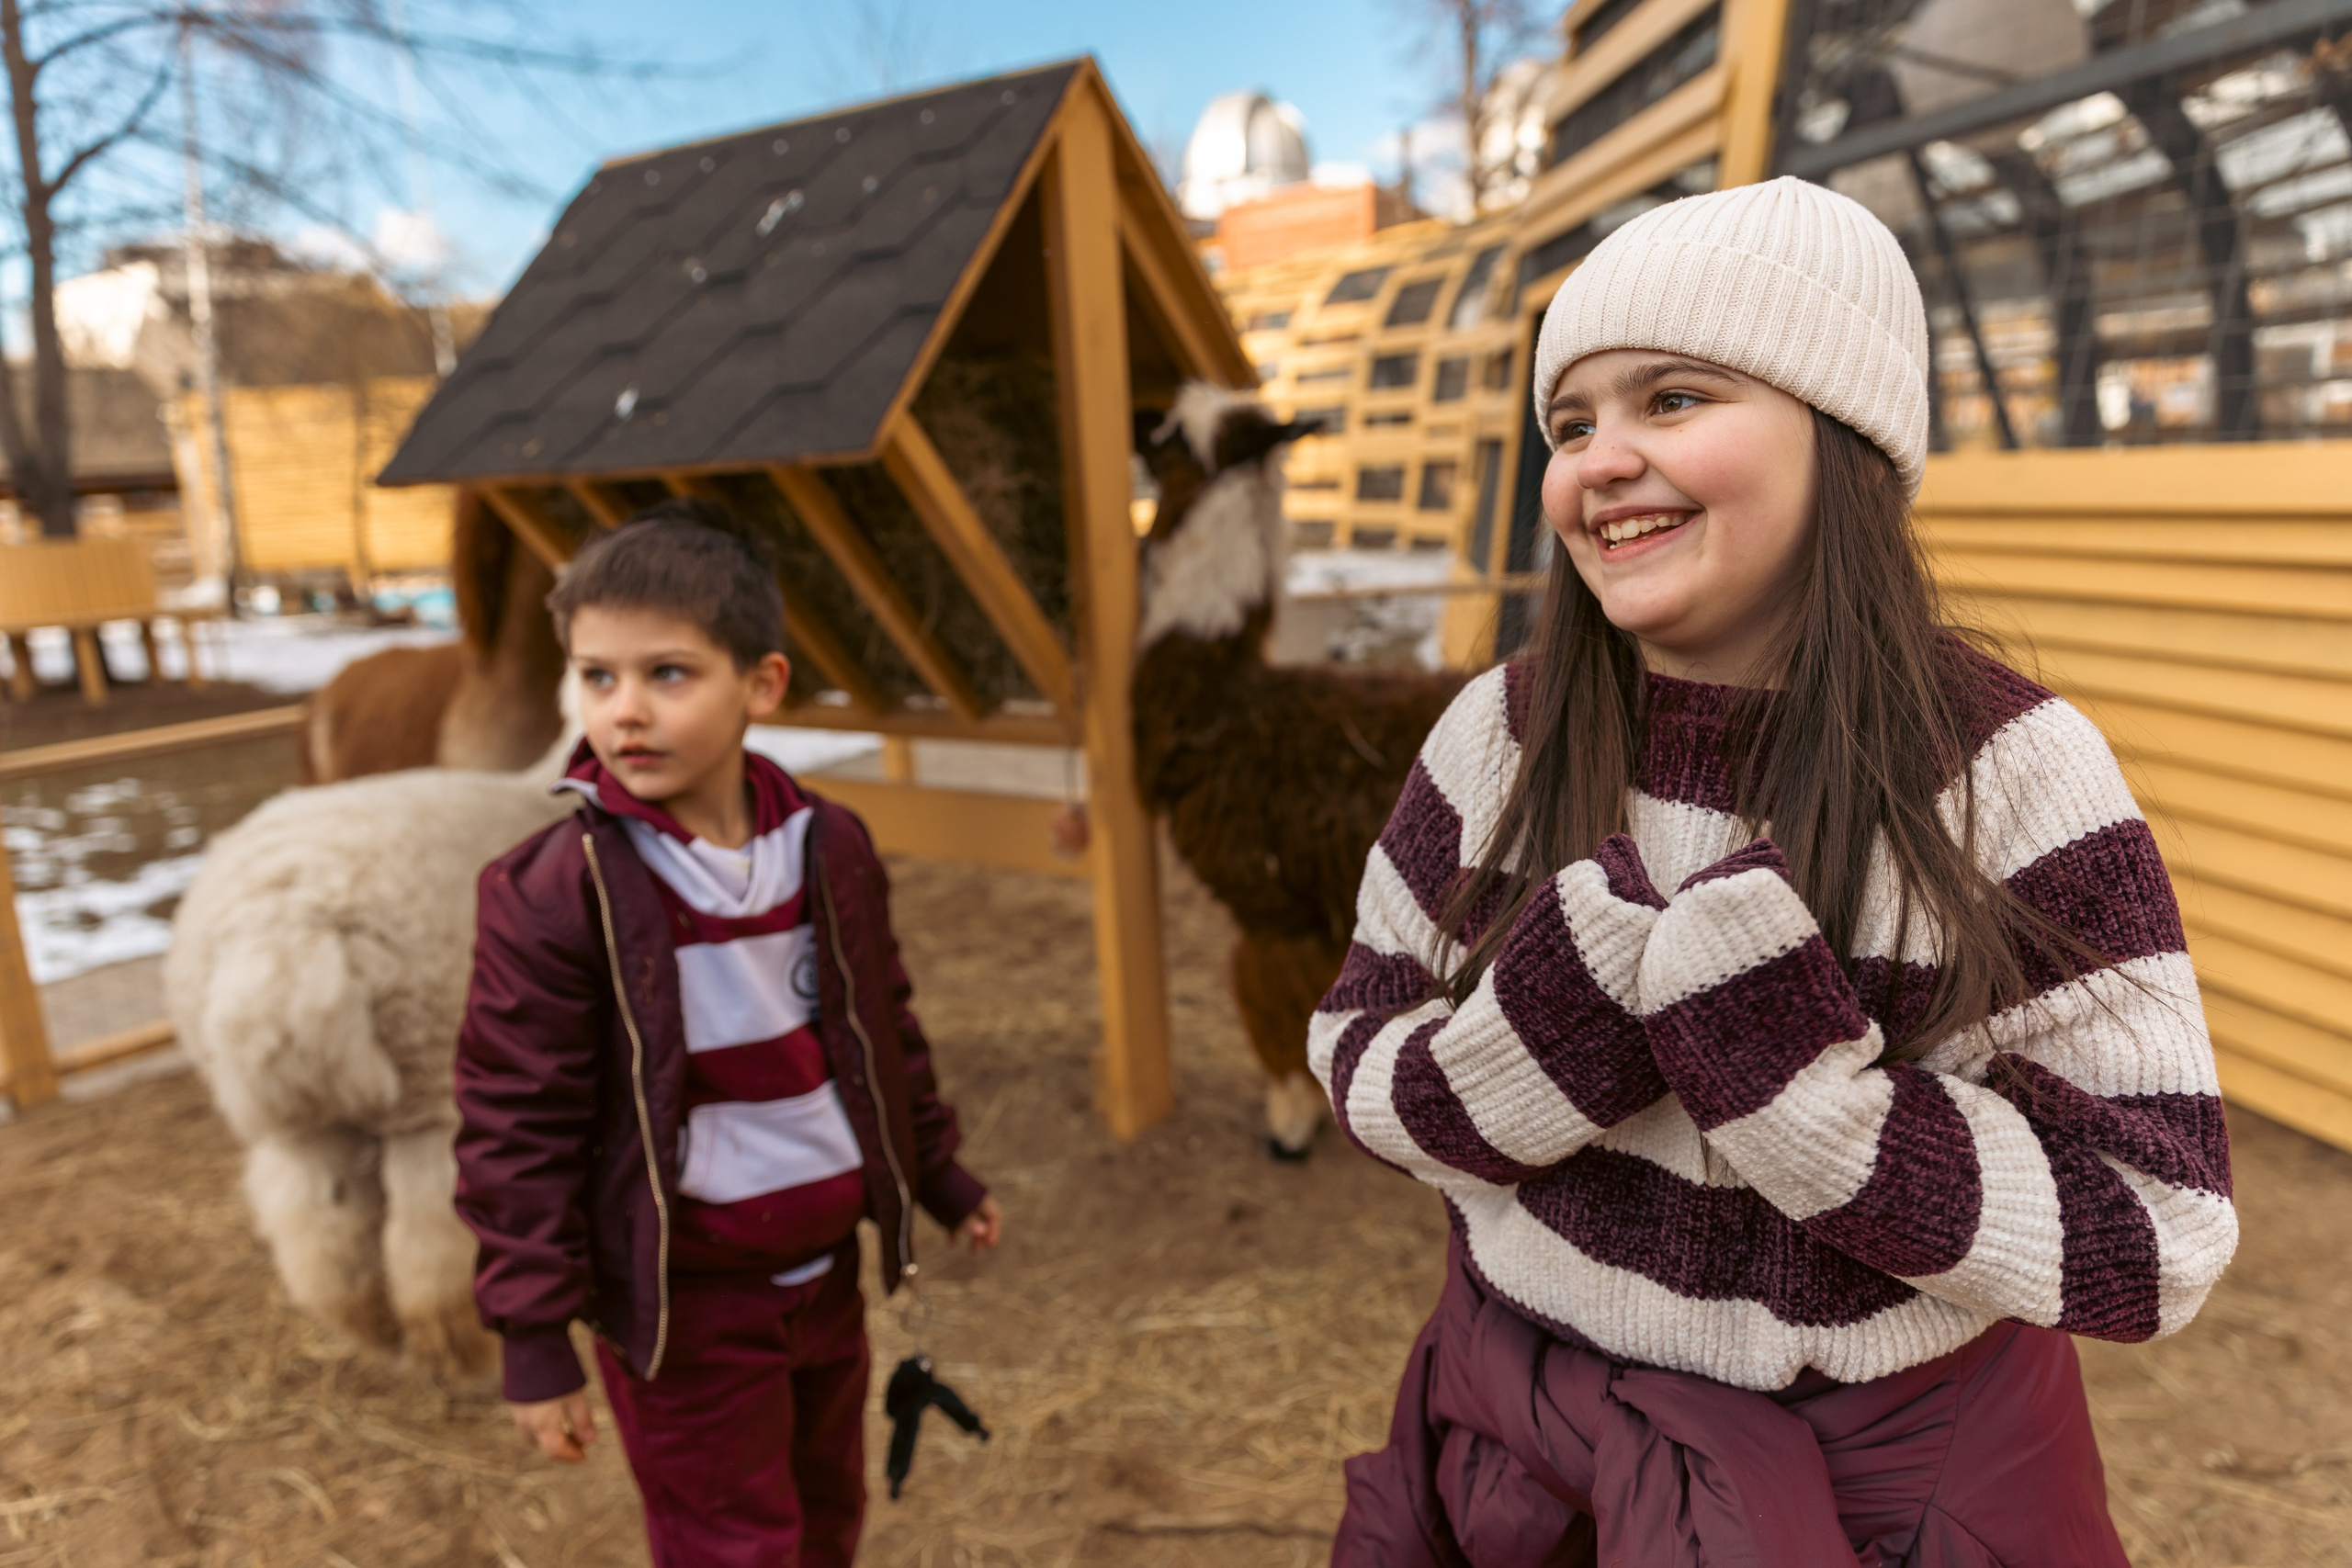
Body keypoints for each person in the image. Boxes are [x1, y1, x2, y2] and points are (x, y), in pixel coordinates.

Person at [1309, 177, 2235, 1565]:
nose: (1599, 458)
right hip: (1514, 1448)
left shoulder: (2010, 771)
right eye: (1573, 422)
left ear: (1843, 434)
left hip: (1884, 1502)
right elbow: (1351, 1045)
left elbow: (2157, 1224)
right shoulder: (1496, 732)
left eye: (1672, 398)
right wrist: (1517, 1062)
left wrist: (1816, 1111)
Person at [452, 500, 1001, 1568]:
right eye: (596, 676)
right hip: (683, 1304)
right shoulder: (560, 893)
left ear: (762, 684)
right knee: (732, 1547)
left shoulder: (827, 848)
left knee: (826, 1515)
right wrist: (533, 1336)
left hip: (823, 1277)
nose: (625, 713)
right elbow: (515, 1121)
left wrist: (934, 1170)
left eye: (668, 674)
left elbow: (880, 1028)